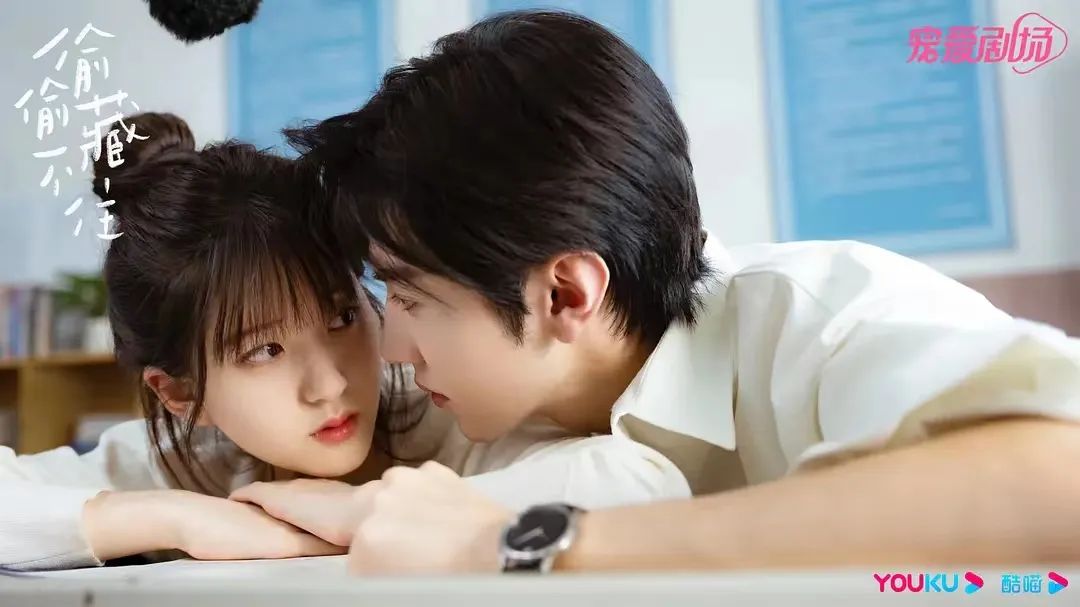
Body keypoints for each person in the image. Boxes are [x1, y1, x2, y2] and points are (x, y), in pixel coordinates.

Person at [285, 11, 1080, 573]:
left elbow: (1059, 478)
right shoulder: (492, 398)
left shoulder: (825, 315)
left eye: (412, 297)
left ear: (565, 295)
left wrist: (519, 544)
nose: (394, 346)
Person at [0, 112, 688, 572]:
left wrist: (366, 511)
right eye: (264, 351)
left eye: (340, 317)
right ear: (181, 394)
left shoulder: (443, 412)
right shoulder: (194, 462)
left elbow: (645, 482)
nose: (329, 382)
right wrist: (172, 517)